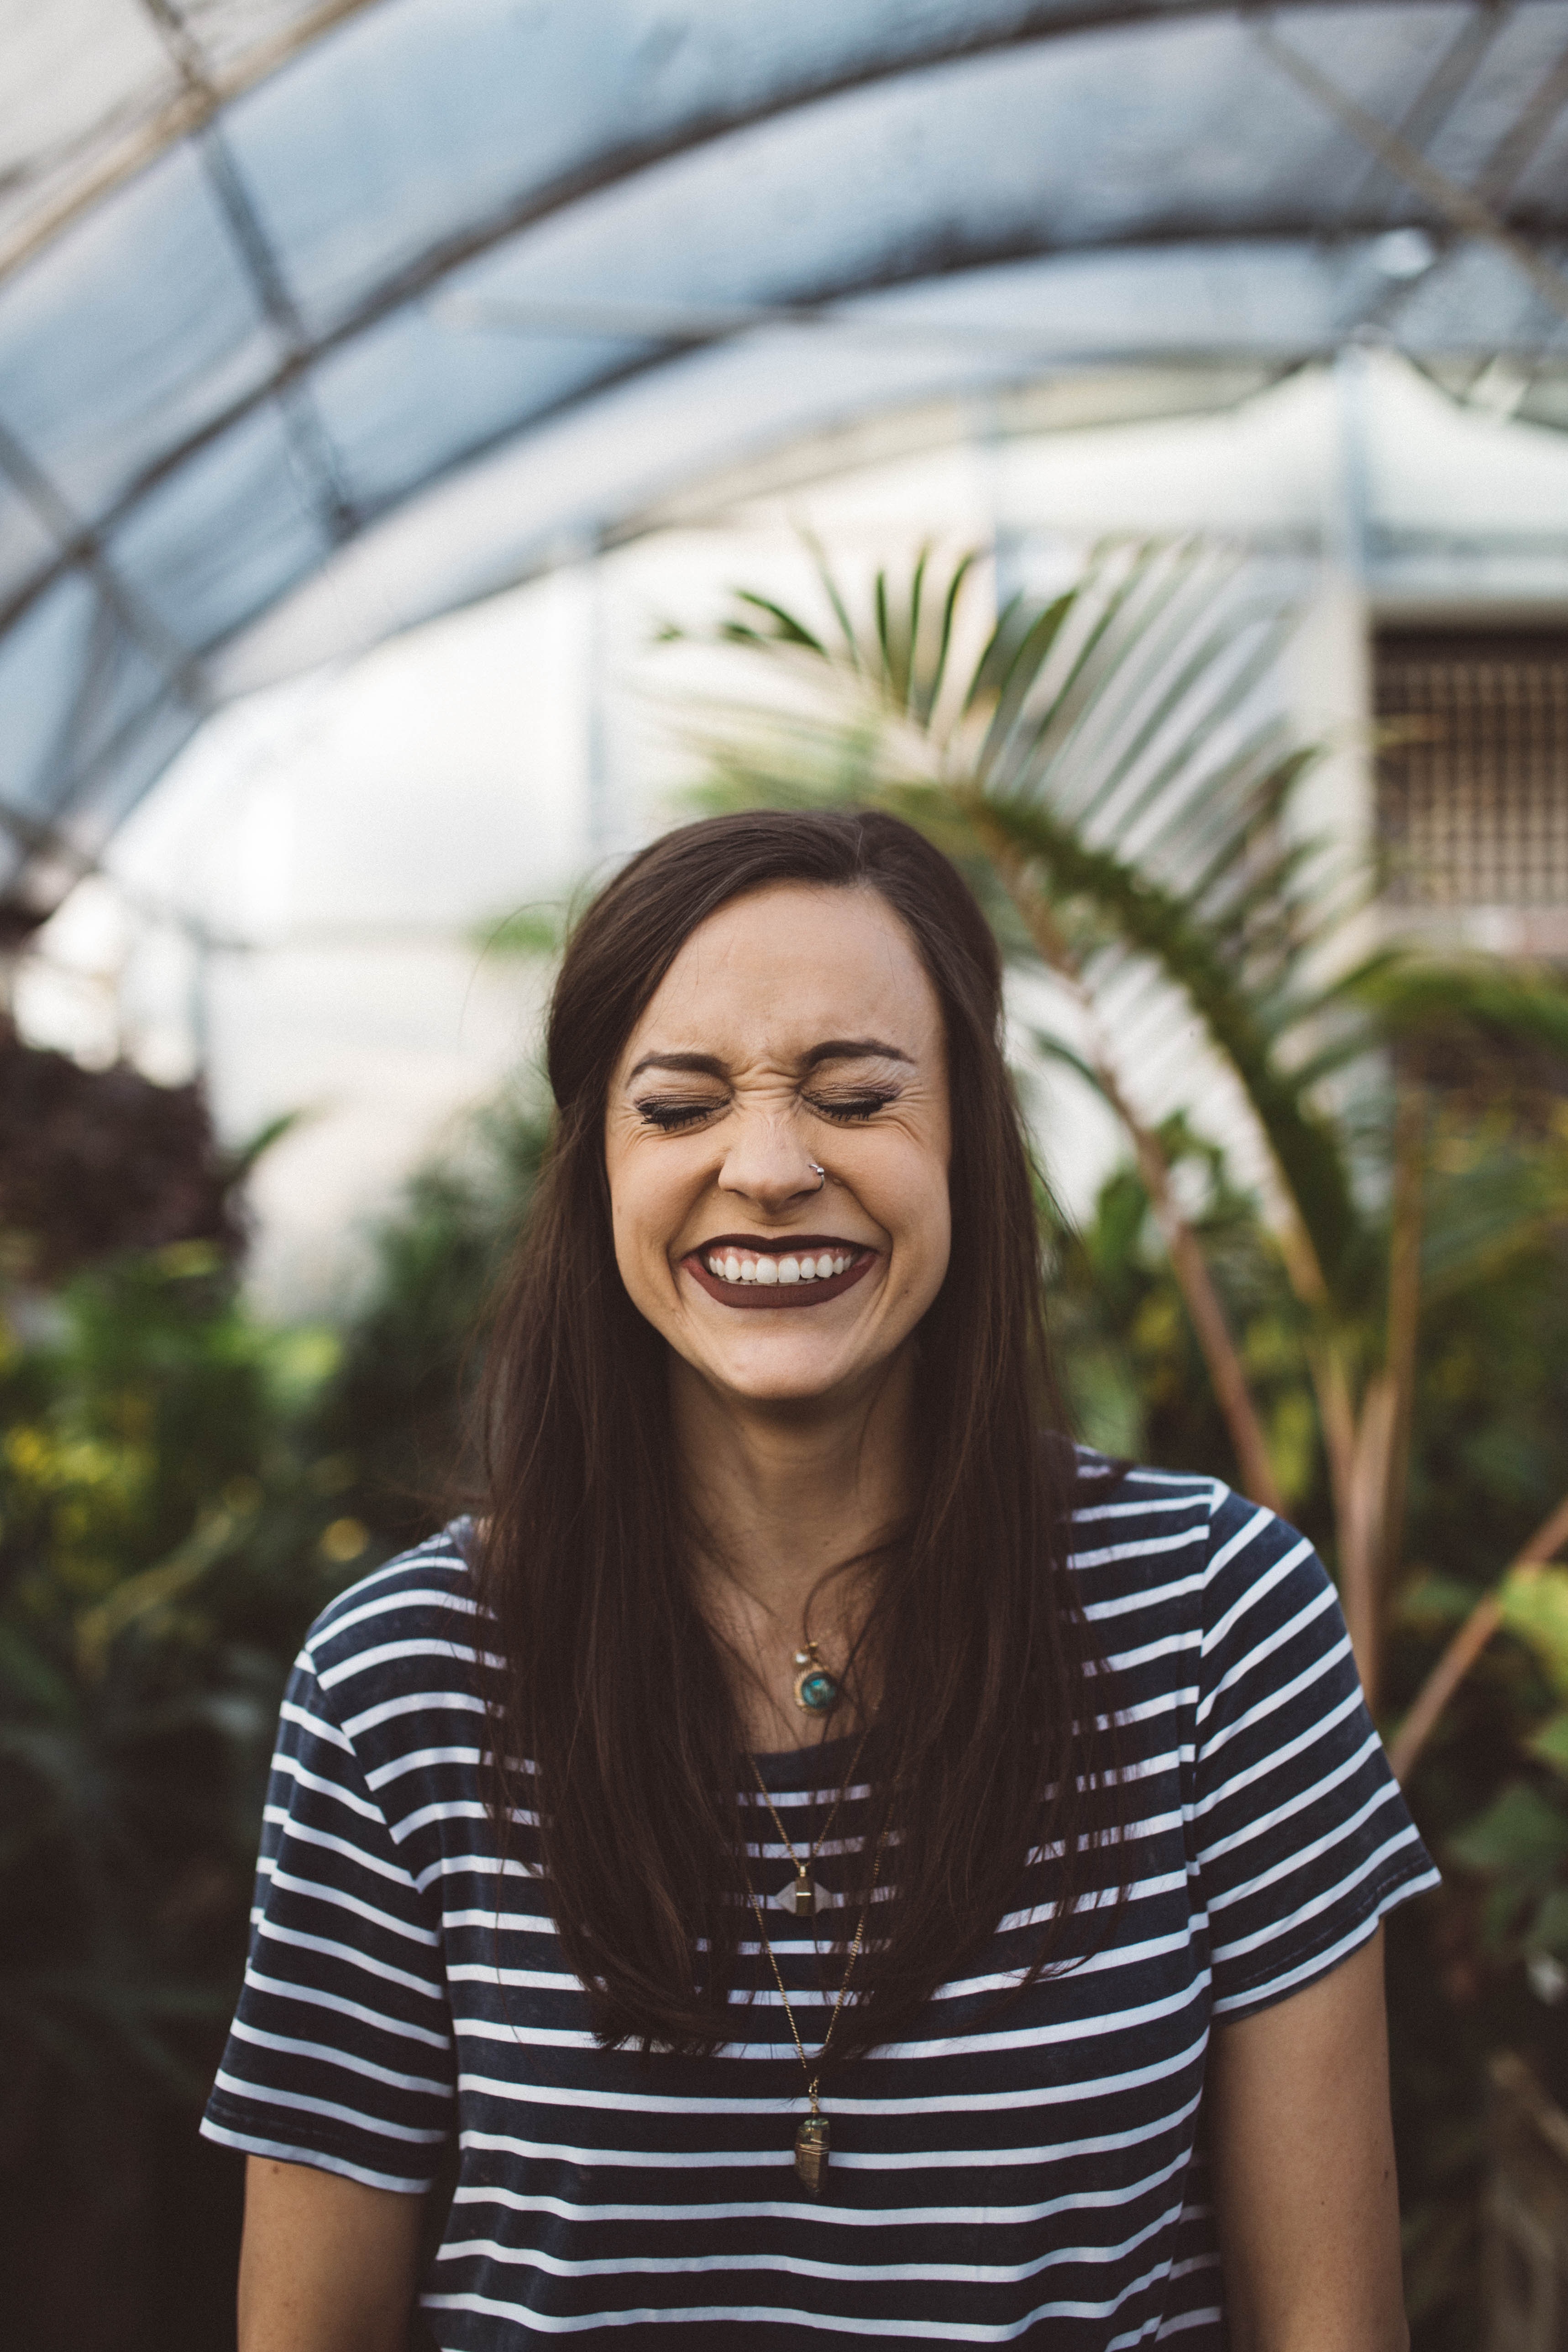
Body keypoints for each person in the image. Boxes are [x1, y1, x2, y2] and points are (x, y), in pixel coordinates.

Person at [205, 808, 1434, 2350]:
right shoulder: (403, 1678)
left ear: (967, 1145)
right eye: (679, 1105)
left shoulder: (1211, 1620)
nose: (770, 1167)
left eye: (855, 1097)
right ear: (596, 1163)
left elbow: (1330, 2326)